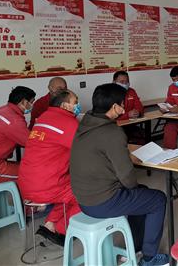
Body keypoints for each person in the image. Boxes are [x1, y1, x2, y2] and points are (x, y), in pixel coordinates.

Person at [70, 84, 169, 266]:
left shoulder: (85, 123)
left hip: (82, 199)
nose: (123, 109)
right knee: (157, 200)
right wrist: (132, 184)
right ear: (114, 106)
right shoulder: (112, 132)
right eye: (122, 105)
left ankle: (135, 247)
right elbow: (127, 176)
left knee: (142, 193)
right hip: (102, 201)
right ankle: (150, 258)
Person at [18, 90, 82, 245]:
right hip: (45, 185)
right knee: (86, 192)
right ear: (64, 106)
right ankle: (61, 230)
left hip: (27, 182)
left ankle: (50, 224)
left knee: (69, 187)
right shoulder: (68, 123)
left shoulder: (44, 117)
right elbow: (85, 151)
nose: (78, 105)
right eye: (75, 102)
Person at [0, 86, 35, 184]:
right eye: (32, 102)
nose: (32, 105)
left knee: (24, 167)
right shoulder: (14, 120)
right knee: (32, 173)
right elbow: (32, 142)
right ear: (24, 102)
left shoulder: (1, 110)